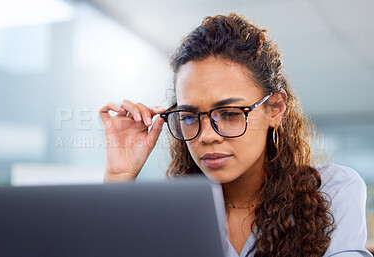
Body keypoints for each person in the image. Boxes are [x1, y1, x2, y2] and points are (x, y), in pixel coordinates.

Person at [98, 13, 372, 257]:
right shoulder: (164, 208)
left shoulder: (331, 191)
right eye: (190, 117)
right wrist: (120, 177)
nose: (206, 136)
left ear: (275, 109)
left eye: (229, 114)